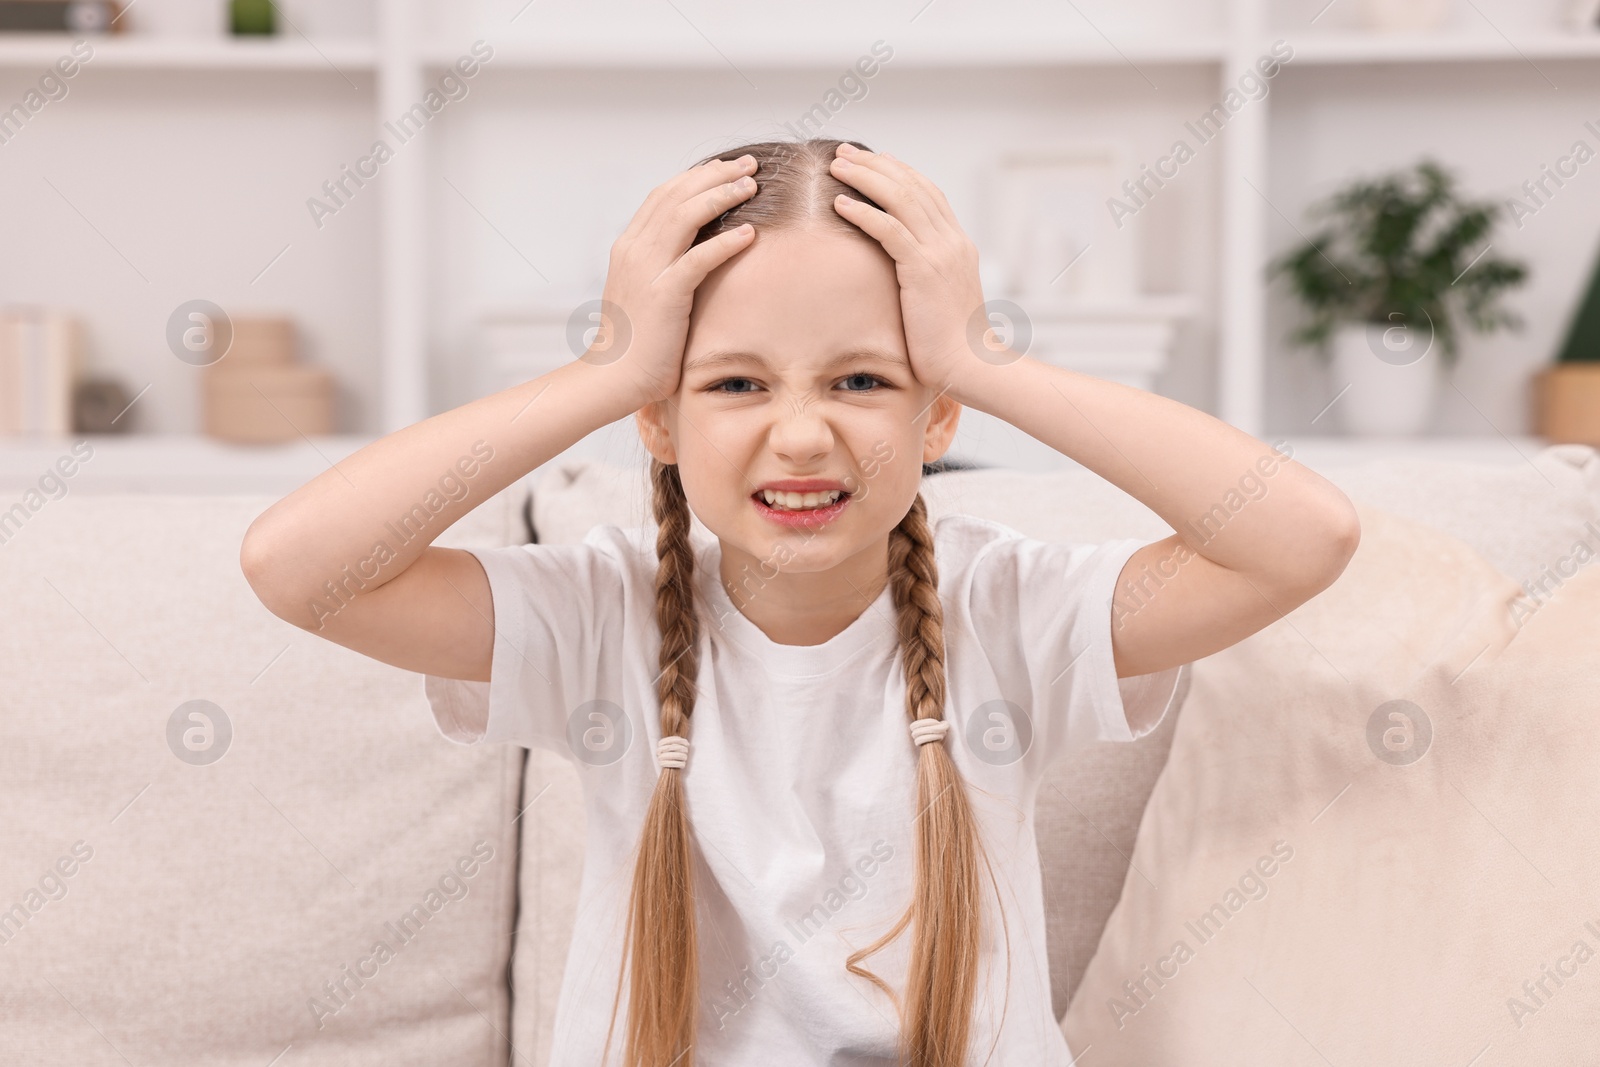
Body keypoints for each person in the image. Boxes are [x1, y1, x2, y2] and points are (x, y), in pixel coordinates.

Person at [240, 137, 1360, 1067]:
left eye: (861, 378)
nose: (803, 430)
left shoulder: (1010, 608)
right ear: (659, 421)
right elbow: (297, 564)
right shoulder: (600, 616)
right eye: (735, 382)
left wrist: (983, 357)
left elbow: (1298, 537)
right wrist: (603, 372)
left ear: (937, 418)